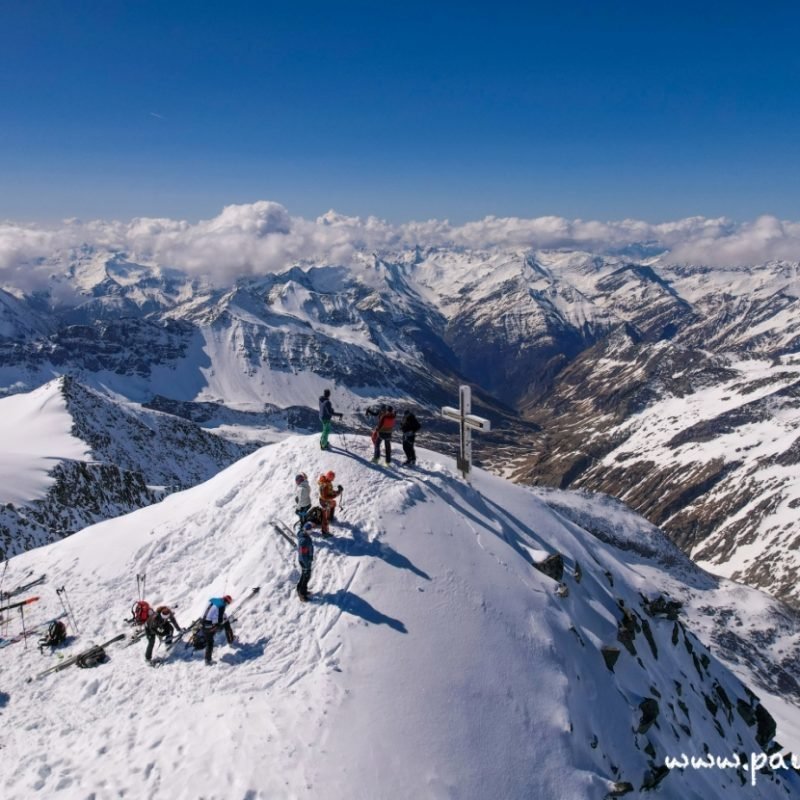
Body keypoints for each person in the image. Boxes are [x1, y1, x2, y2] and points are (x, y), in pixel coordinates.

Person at [202, 594, 234, 666]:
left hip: (202, 622)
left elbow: (213, 611)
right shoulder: (222, 606)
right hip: (208, 625)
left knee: (209, 640)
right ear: (227, 602)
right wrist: (220, 624)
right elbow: (220, 621)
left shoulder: (213, 599)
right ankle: (208, 660)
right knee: (210, 642)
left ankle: (207, 659)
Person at [318, 471, 342, 536]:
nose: (333, 479)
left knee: (333, 503)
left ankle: (330, 517)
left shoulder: (327, 482)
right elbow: (325, 496)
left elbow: (330, 492)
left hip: (325, 500)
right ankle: (325, 533)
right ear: (330, 477)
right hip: (324, 501)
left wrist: (338, 491)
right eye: (333, 477)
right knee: (325, 517)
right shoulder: (325, 485)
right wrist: (337, 494)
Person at [297, 522, 315, 601]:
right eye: (308, 531)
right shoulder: (304, 540)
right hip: (305, 560)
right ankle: (302, 594)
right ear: (305, 530)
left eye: (310, 530)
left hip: (304, 559)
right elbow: (303, 553)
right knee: (306, 576)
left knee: (304, 574)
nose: (310, 532)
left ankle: (300, 589)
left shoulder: (304, 536)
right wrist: (307, 562)